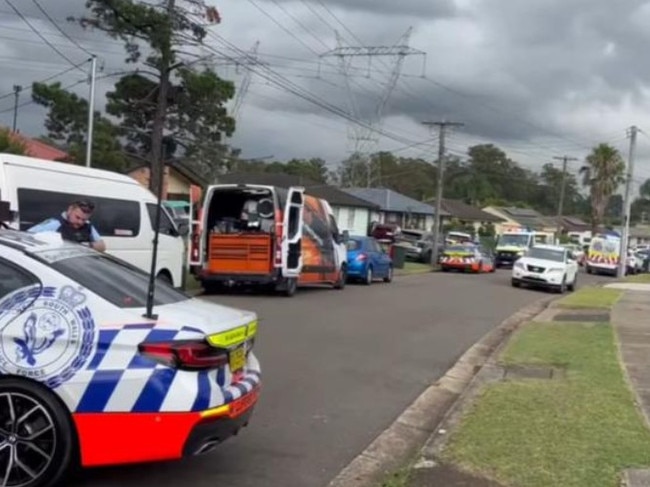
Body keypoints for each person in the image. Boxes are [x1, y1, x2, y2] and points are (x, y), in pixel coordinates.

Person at [28, 199, 106, 252]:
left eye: (83, 219)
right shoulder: (55, 223)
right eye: (77, 217)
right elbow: (26, 237)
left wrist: (85, 245)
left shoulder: (88, 225)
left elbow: (102, 246)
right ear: (70, 210)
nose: (80, 222)